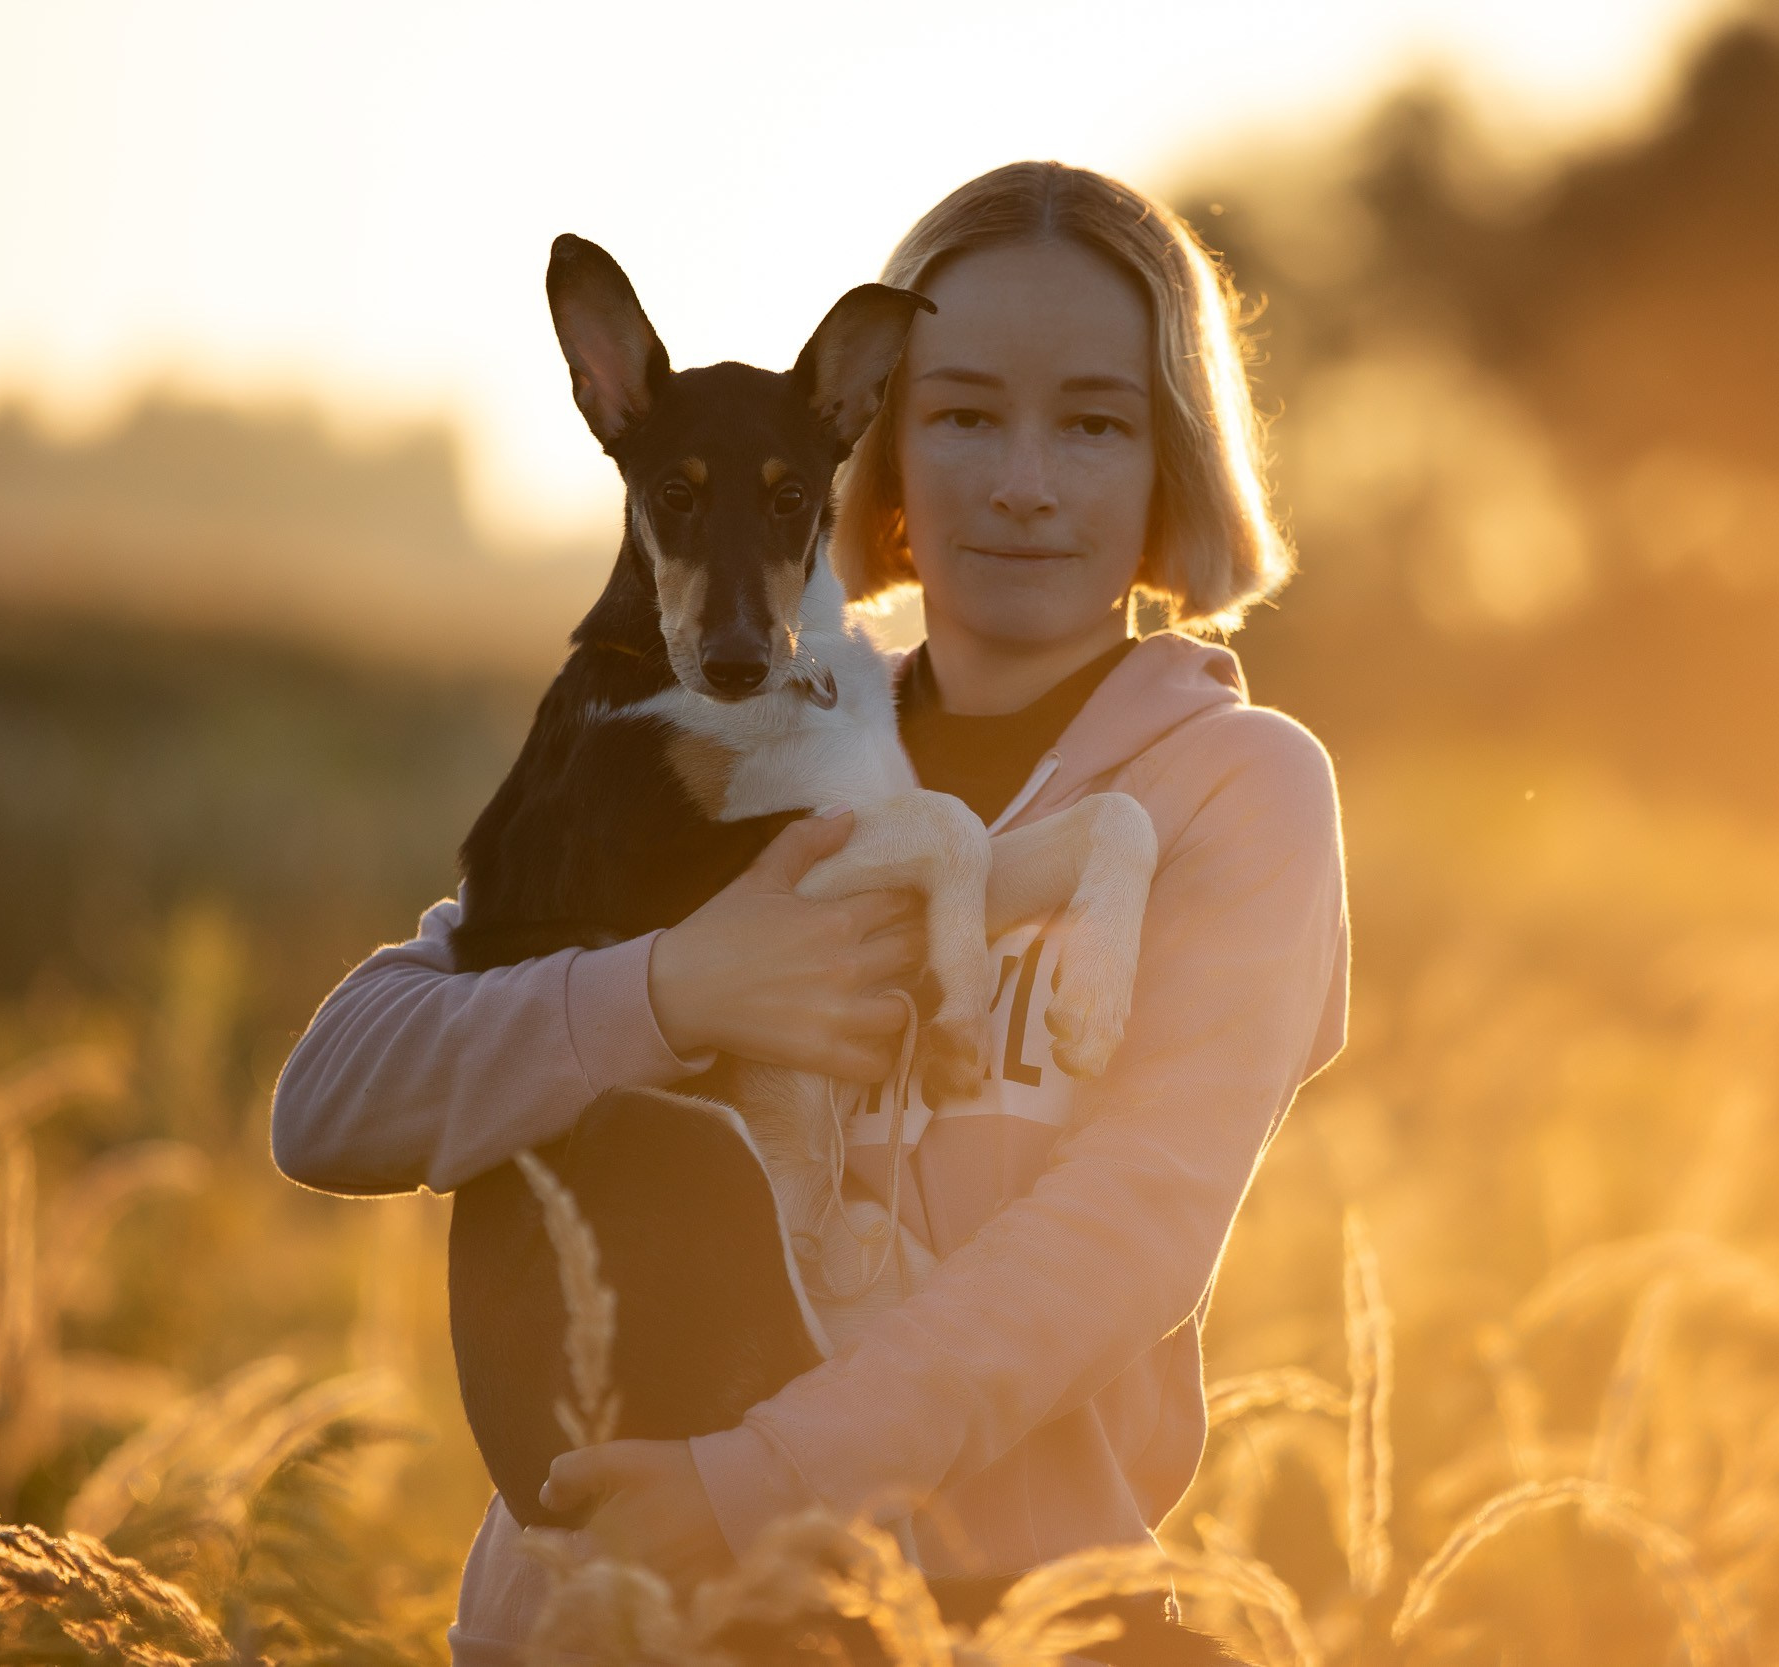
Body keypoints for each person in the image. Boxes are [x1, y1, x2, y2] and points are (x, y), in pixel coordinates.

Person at [271, 160, 1348, 1664]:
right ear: (876, 448)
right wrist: (671, 990)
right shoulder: (735, 749)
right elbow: (331, 1103)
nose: (1024, 478)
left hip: (998, 1620)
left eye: (1093, 422)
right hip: (596, 1610)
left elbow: (1124, 1243)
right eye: (965, 413)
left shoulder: (1234, 793)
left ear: (1172, 461)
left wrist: (749, 1488)